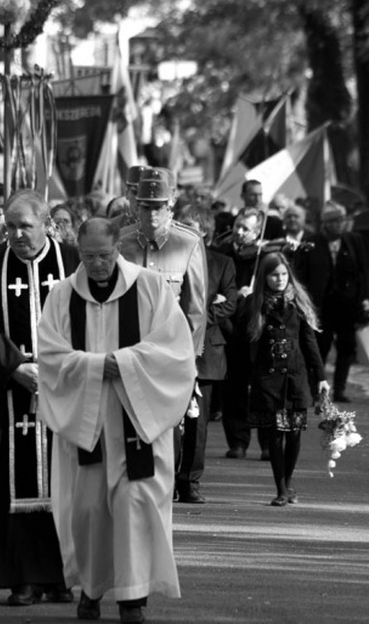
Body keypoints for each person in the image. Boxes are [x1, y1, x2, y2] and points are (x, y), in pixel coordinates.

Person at [37, 218, 196, 624]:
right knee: (88, 510)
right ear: (79, 252)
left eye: (104, 256)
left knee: (134, 505)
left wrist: (121, 363)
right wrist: (95, 367)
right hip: (86, 420)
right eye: (88, 257)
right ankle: (91, 590)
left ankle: (132, 598)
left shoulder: (149, 286)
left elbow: (175, 350)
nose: (97, 265)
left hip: (137, 417)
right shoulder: (61, 295)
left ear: (117, 249)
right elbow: (50, 357)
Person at [0, 189, 80, 606]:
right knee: (6, 483)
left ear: (46, 223)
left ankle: (62, 574)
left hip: (65, 387)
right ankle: (21, 578)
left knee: (64, 481)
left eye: (25, 226)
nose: (16, 234)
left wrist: (60, 367)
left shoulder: (72, 260)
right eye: (10, 226)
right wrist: (16, 367)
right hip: (6, 390)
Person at [118, 174, 208, 493]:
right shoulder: (121, 242)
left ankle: (162, 490)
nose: (152, 215)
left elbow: (195, 310)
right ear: (136, 208)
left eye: (159, 207)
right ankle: (135, 490)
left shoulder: (188, 243)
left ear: (170, 206)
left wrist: (190, 364)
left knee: (170, 431)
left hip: (170, 357)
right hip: (128, 353)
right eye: (145, 207)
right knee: (127, 427)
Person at [244, 252, 329, 506]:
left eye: (283, 274)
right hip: (268, 379)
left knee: (293, 434)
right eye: (273, 275)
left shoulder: (298, 304)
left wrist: (321, 377)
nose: (279, 280)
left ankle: (289, 482)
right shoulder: (255, 303)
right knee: (275, 435)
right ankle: (281, 488)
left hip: (295, 377)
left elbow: (309, 342)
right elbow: (246, 342)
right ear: (265, 277)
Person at [176, 206, 237, 502]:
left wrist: (196, 319)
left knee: (197, 424)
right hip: (170, 347)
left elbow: (230, 303)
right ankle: (169, 478)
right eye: (180, 225)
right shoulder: (168, 259)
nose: (183, 231)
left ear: (204, 231)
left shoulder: (222, 263)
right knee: (170, 420)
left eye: (190, 226)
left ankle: (190, 481)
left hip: (206, 353)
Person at [293, 201, 369, 404]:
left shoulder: (354, 242)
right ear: (325, 224)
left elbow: (364, 272)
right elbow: (300, 275)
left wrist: (367, 298)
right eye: (335, 221)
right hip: (321, 307)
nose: (340, 224)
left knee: (347, 348)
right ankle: (316, 389)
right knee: (319, 348)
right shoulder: (311, 243)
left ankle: (340, 389)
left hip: (348, 306)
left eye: (342, 220)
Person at [213, 207, 271, 459]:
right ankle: (238, 440)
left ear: (258, 232)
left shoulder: (266, 257)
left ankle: (268, 443)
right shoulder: (223, 252)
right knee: (233, 388)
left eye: (246, 228)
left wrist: (255, 294)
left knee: (262, 388)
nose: (239, 232)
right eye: (238, 226)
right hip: (230, 328)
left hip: (256, 329)